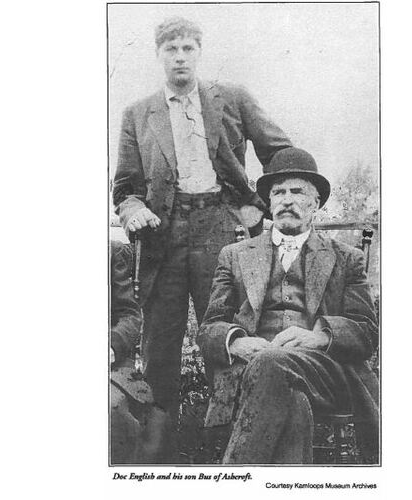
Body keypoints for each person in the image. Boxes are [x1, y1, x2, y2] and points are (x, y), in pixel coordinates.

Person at [112, 17, 292, 442]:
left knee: (225, 332)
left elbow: (282, 154)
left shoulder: (232, 99)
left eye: (188, 48)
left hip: (221, 228)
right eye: (171, 49)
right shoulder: (138, 114)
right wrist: (134, 210)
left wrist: (259, 204)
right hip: (164, 235)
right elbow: (124, 188)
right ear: (158, 54)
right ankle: (159, 448)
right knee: (160, 342)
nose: (180, 57)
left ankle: (228, 442)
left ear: (199, 52)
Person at [198, 147, 379, 464]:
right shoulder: (235, 255)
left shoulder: (346, 258)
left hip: (323, 372)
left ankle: (233, 477)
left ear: (316, 203)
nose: (287, 200)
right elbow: (209, 328)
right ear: (269, 203)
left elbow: (366, 333)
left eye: (297, 192)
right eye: (278, 193)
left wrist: (319, 337)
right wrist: (236, 342)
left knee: (271, 363)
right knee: (293, 405)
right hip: (250, 373)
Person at [110, 240, 174, 464]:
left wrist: (112, 346)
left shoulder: (110, 252)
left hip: (111, 367)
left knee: (112, 409)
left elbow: (129, 315)